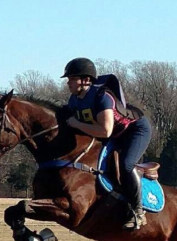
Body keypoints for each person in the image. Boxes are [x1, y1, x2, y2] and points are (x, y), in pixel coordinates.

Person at [62, 57, 152, 230]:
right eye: (69, 79)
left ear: (86, 80)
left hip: (135, 131)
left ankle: (138, 212)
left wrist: (76, 123)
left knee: (126, 165)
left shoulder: (102, 96)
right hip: (114, 135)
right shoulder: (74, 101)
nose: (68, 83)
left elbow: (105, 131)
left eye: (72, 79)